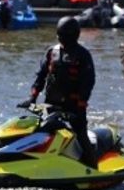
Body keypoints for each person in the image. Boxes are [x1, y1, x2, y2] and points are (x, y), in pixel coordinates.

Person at [18, 16, 97, 168]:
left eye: (64, 36)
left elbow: (88, 82)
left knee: (81, 136)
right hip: (50, 105)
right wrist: (32, 98)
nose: (62, 39)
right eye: (60, 35)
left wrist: (80, 105)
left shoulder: (83, 55)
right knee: (40, 133)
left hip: (74, 107)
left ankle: (94, 169)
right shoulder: (51, 52)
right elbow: (40, 76)